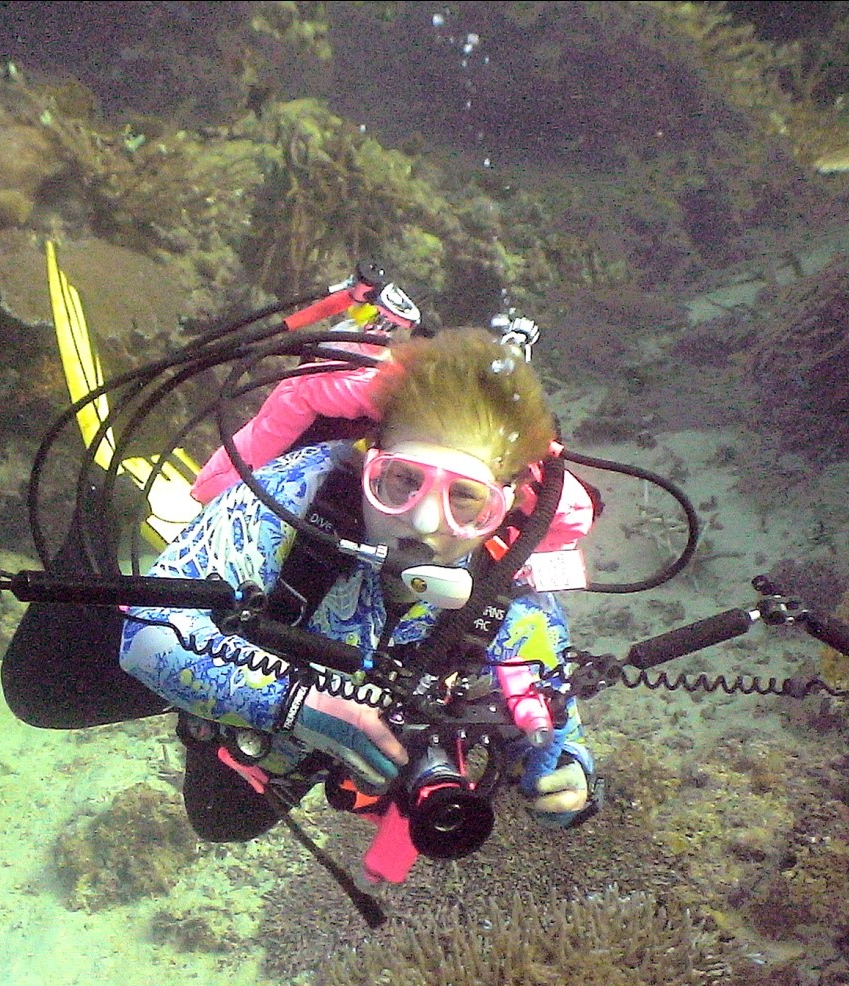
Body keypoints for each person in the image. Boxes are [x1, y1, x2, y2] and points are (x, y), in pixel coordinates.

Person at [118, 326, 597, 846]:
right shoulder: (300, 493)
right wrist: (293, 705)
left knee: (222, 822)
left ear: (501, 507)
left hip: (276, 743)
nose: (423, 521)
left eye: (465, 497)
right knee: (45, 694)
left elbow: (544, 708)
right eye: (403, 480)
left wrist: (567, 775)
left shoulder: (510, 584)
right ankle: (115, 514)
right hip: (243, 661)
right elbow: (145, 635)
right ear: (370, 461)